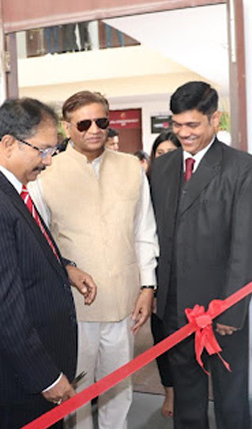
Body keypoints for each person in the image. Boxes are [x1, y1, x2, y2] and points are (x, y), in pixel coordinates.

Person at [0, 97, 97, 429]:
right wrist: (46, 377)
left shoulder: (6, 188)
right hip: (18, 380)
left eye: (53, 151)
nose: (48, 161)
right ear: (9, 143)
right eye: (43, 150)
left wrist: (64, 269)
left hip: (28, 370)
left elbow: (18, 253)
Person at [29, 91, 158, 429]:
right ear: (66, 127)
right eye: (84, 124)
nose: (95, 130)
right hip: (73, 306)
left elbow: (144, 231)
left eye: (101, 121)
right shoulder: (46, 172)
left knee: (119, 388)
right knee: (78, 391)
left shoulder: (131, 168)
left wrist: (148, 286)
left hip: (123, 300)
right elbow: (38, 241)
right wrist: (66, 269)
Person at [150, 81, 252, 428]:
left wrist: (231, 310)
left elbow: (244, 245)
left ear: (215, 119)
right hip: (175, 308)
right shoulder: (163, 167)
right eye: (177, 124)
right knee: (187, 398)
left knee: (230, 397)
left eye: (192, 124)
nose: (183, 133)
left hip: (221, 307)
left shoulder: (241, 168)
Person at [147, 130, 181, 418]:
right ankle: (169, 392)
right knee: (162, 340)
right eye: (161, 154)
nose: (167, 159)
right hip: (157, 278)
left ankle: (189, 391)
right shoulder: (146, 189)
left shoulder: (193, 186)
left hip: (188, 278)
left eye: (172, 153)